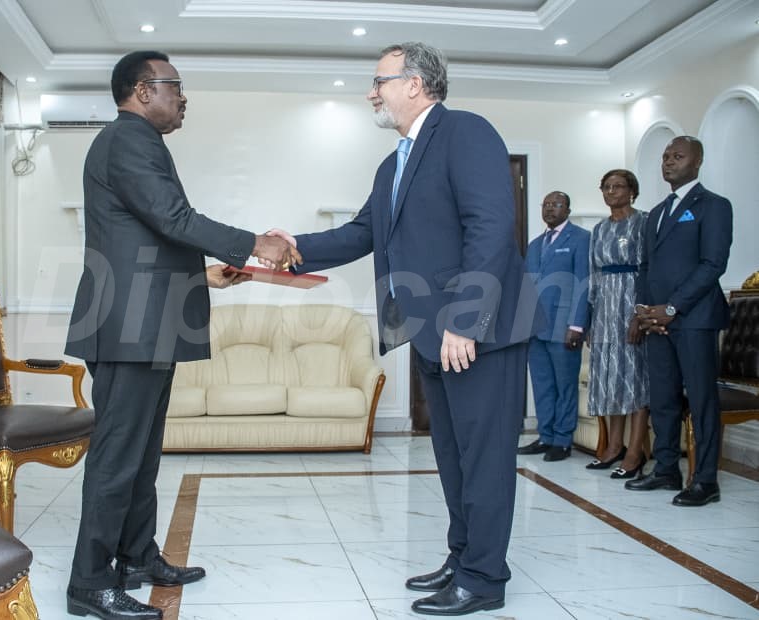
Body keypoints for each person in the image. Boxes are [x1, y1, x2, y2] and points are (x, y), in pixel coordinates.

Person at [268, 42, 539, 616]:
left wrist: (466, 319)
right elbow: (362, 233)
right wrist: (293, 248)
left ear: (415, 83)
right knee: (453, 457)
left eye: (380, 81)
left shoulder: (465, 132)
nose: (372, 92)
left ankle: (484, 579)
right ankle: (463, 558)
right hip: (429, 331)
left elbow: (491, 227)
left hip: (478, 332)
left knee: (484, 459)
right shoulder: (392, 164)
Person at [64, 51, 299, 620]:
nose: (183, 96)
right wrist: (255, 243)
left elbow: (149, 235)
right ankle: (89, 582)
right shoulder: (128, 140)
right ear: (143, 91)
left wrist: (204, 275)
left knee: (142, 455)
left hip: (146, 322)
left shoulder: (138, 141)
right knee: (118, 457)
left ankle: (135, 557)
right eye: (175, 86)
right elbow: (174, 217)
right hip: (129, 328)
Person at [626, 136, 733, 507]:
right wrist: (645, 311)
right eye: (665, 156)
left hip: (695, 321)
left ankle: (705, 480)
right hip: (658, 323)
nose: (668, 162)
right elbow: (645, 266)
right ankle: (666, 468)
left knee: (701, 401)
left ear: (697, 161)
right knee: (663, 399)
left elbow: (713, 264)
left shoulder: (714, 205)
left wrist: (672, 308)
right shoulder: (656, 212)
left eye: (678, 156)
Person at [584, 170, 650, 479]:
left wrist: (640, 314)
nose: (611, 191)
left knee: (635, 379)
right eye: (606, 187)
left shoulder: (644, 222)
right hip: (604, 312)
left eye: (618, 186)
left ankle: (635, 453)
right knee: (610, 378)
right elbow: (593, 275)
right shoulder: (599, 229)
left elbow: (650, 269)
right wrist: (590, 319)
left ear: (632, 190)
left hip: (632, 307)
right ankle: (613, 448)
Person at [518, 191, 590, 462]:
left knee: (565, 385)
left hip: (565, 327)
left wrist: (578, 325)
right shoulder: (535, 244)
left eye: (556, 204)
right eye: (546, 204)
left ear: (567, 209)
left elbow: (584, 282)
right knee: (542, 385)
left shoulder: (581, 238)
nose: (550, 209)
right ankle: (545, 436)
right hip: (536, 328)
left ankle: (562, 440)